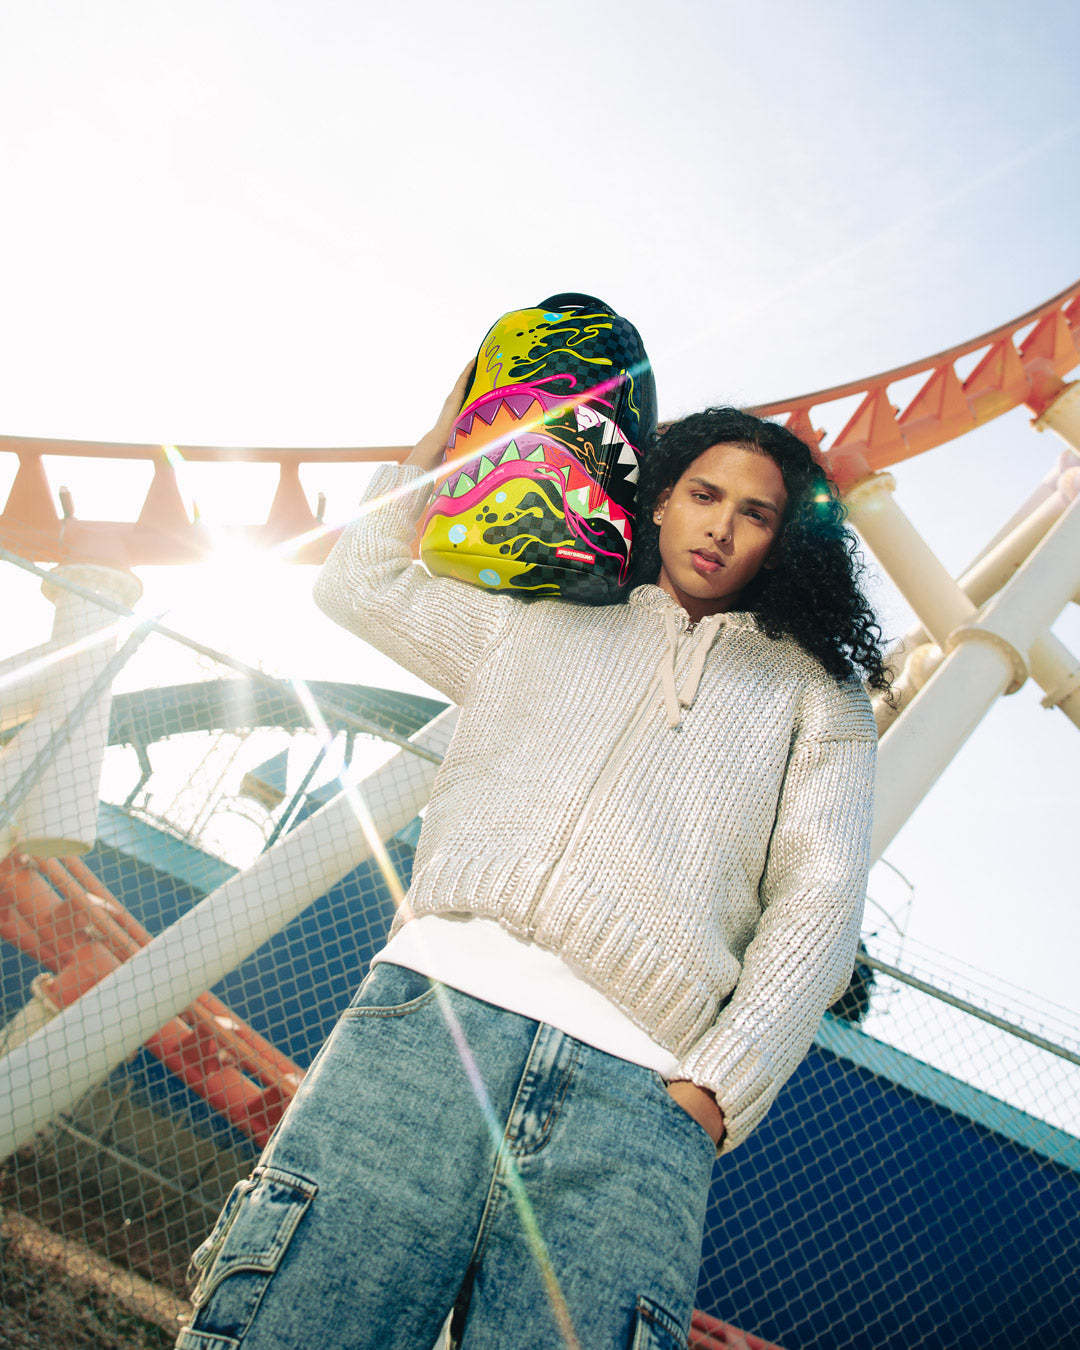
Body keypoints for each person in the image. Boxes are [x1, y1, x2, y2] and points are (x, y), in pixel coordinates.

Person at [176, 366, 887, 1350]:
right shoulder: (543, 614)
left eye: (755, 514)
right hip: (425, 1030)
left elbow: (822, 900)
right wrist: (437, 449)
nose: (721, 528)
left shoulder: (819, 698)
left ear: (783, 538)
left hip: (637, 1102)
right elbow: (358, 583)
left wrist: (718, 1090)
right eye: (704, 495)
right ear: (662, 498)